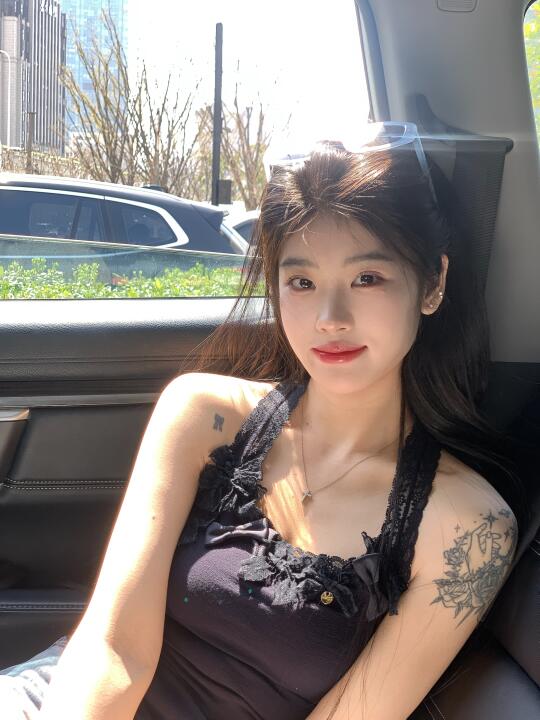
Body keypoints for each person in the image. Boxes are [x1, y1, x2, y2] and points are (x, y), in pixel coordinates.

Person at [1, 124, 522, 720]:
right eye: (302, 282)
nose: (329, 317)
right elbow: (114, 650)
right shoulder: (203, 415)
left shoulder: (468, 527)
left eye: (367, 278)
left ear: (433, 284)